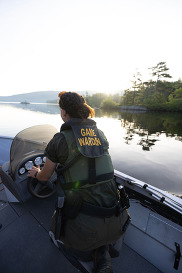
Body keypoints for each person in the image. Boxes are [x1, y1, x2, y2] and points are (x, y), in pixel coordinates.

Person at [28, 91, 130, 273]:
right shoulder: (100, 133)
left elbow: (44, 177)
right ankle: (102, 253)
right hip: (116, 217)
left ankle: (66, 241)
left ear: (63, 112)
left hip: (84, 226)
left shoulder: (59, 140)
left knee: (63, 203)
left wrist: (36, 173)